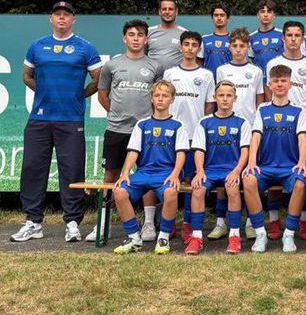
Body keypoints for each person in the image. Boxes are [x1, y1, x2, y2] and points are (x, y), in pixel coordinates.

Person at [13, 1, 101, 243]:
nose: (62, 18)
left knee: (72, 170)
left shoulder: (85, 47)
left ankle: (72, 223)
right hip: (39, 118)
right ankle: (33, 222)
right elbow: (26, 76)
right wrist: (44, 92)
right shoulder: (37, 46)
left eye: (66, 14)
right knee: (32, 169)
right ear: (51, 18)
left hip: (71, 119)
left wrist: (79, 95)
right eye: (57, 14)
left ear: (73, 19)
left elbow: (98, 79)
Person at [87, 19, 164, 243]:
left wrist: (149, 121)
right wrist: (116, 114)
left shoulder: (155, 66)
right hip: (116, 129)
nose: (136, 38)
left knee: (147, 175)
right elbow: (103, 95)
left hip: (145, 131)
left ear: (146, 39)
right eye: (131, 34)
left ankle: (148, 223)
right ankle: (103, 223)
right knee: (110, 175)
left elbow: (158, 97)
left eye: (140, 35)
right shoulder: (112, 65)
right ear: (124, 38)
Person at [111, 80, 188, 254]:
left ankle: (163, 237)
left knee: (171, 192)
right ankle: (133, 237)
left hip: (166, 173)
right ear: (151, 98)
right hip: (144, 173)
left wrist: (176, 174)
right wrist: (125, 173)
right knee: (119, 191)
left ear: (172, 99)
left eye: (165, 96)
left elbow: (181, 153)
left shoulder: (178, 125)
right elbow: (133, 151)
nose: (160, 99)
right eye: (157, 95)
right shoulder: (142, 124)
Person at [241, 64, 306, 253]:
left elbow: (302, 139)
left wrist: (302, 162)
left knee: (300, 184)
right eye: (276, 81)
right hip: (265, 167)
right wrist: (252, 162)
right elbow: (256, 137)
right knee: (248, 180)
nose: (279, 84)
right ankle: (260, 233)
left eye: (283, 81)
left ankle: (289, 234)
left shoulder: (299, 111)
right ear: (269, 85)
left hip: (289, 167)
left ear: (290, 84)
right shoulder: (262, 109)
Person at [185, 81, 252, 255]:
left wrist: (237, 171)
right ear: (215, 97)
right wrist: (200, 171)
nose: (225, 99)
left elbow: (245, 151)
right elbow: (199, 150)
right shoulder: (204, 122)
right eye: (221, 95)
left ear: (235, 98)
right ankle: (196, 237)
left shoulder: (242, 122)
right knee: (198, 189)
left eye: (229, 95)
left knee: (232, 188)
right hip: (209, 171)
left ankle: (234, 236)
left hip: (231, 170)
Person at [211, 27, 265, 241]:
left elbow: (260, 101)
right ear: (229, 47)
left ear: (248, 47)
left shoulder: (256, 71)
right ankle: (220, 222)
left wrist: (257, 127)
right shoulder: (222, 70)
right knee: (224, 173)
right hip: (226, 129)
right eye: (234, 45)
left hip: (249, 129)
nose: (238, 49)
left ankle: (251, 223)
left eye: (242, 46)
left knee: (250, 176)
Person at [163, 30, 216, 242]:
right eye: (187, 44)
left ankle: (187, 223)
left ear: (199, 49)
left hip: (195, 136)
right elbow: (164, 101)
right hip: (173, 135)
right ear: (181, 47)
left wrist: (201, 129)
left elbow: (209, 105)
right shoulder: (169, 73)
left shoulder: (206, 75)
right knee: (171, 178)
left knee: (190, 180)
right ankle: (168, 223)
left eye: (194, 45)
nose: (190, 48)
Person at [265, 21, 306, 110]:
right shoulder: (272, 64)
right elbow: (268, 91)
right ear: (283, 38)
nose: (293, 39)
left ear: (303, 39)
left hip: (303, 115)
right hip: (279, 115)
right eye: (289, 35)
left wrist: (305, 113)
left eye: (297, 35)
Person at [146, 0, 189, 71]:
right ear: (159, 12)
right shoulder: (148, 31)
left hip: (176, 77)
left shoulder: (185, 33)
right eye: (164, 9)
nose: (167, 12)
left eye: (170, 9)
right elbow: (141, 55)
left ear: (176, 12)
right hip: (152, 77)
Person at [249, 0, 284, 73]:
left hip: (278, 77)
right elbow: (252, 60)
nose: (265, 14)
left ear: (274, 15)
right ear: (258, 15)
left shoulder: (282, 35)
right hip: (259, 78)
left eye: (269, 11)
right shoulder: (251, 37)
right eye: (262, 12)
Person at [197, 2, 232, 76]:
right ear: (212, 19)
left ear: (228, 18)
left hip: (228, 80)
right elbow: (199, 63)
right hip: (208, 80)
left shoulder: (233, 39)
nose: (219, 18)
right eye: (216, 15)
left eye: (222, 15)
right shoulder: (204, 39)